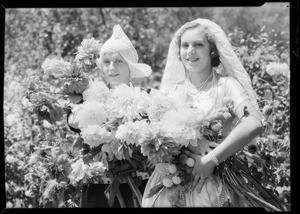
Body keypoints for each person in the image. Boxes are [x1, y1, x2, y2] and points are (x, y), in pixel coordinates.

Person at [142, 18, 263, 207]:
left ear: (211, 50)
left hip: (211, 188)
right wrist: (188, 146)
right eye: (185, 45)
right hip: (167, 187)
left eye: (198, 45)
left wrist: (211, 160)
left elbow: (254, 122)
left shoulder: (226, 85)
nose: (190, 51)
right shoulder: (170, 91)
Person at [67, 24, 152, 207]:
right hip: (99, 192)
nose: (111, 68)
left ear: (130, 67)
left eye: (118, 61)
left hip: (136, 188)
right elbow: (73, 123)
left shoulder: (146, 98)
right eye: (106, 62)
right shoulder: (91, 96)